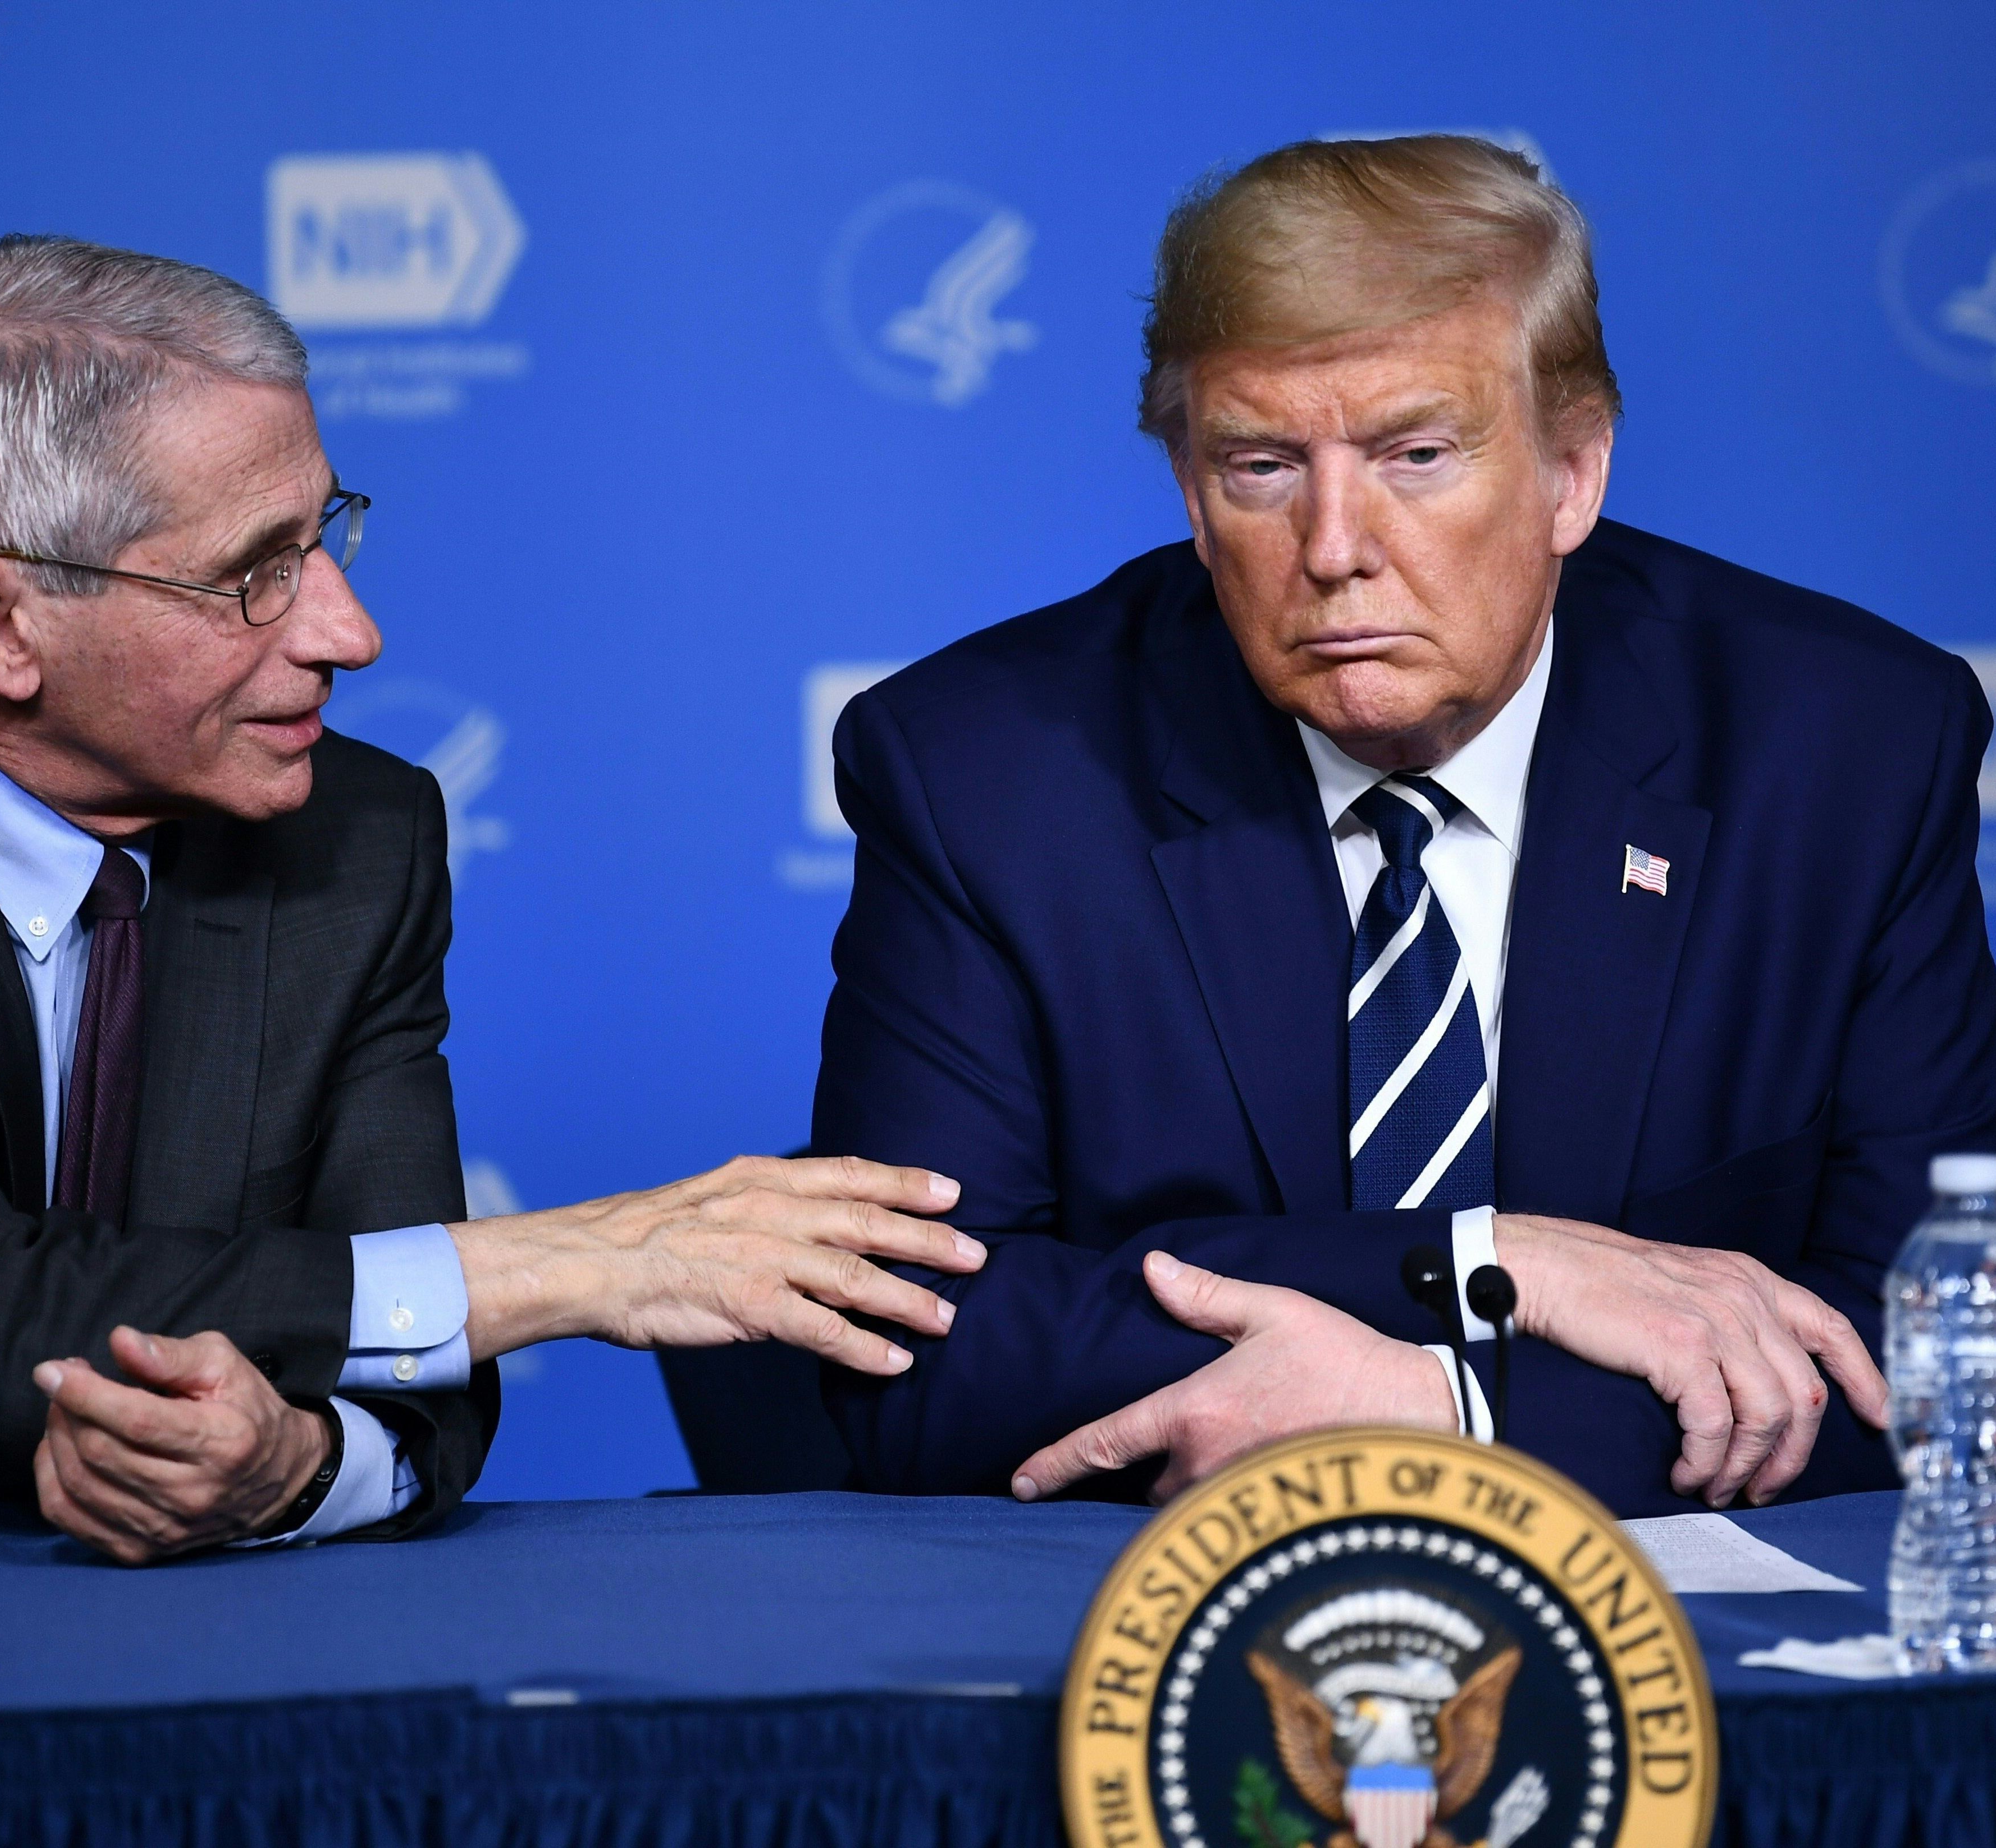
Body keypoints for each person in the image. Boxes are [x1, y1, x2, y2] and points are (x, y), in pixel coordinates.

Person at [0, 235, 980, 1562]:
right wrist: (565, 1263)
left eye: (324, 534)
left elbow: (422, 1389)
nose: (349, 632)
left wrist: (294, 1463)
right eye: (252, 577)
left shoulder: (357, 839)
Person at [813, 136, 1996, 1521]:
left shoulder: (1841, 749)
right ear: (1191, 495)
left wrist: (1448, 1413)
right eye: (1257, 466)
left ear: (1571, 474)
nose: (1331, 546)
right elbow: (914, 1352)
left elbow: (1932, 1360)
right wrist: (1482, 1260)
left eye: (1414, 455)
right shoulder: (984, 774)